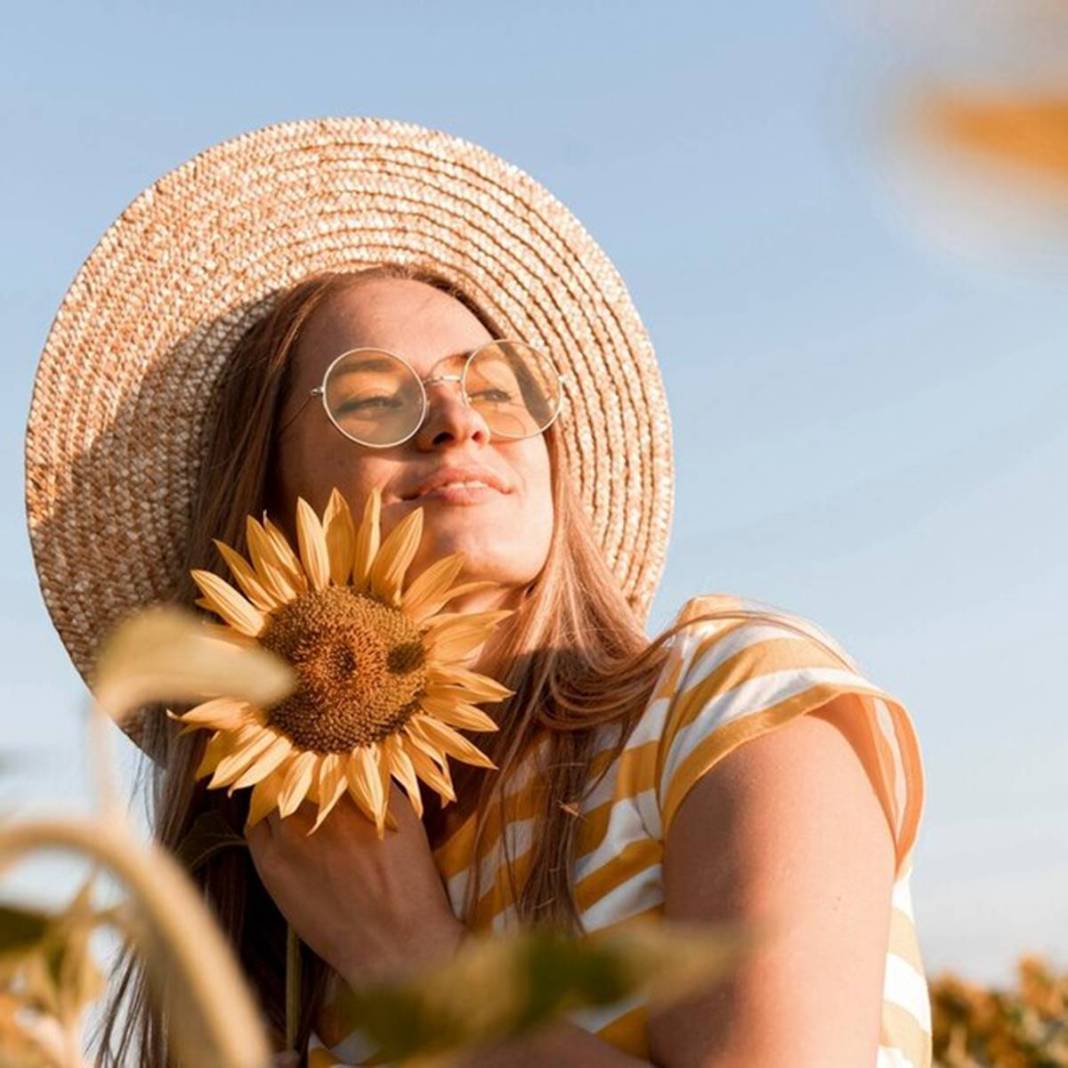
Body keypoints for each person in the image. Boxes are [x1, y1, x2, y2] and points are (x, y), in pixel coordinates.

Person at [25, 118, 929, 1068]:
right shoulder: (280, 908)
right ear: (269, 492)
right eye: (374, 399)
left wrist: (409, 961)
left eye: (499, 389)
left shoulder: (729, 700)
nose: (458, 422)